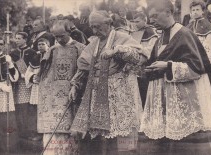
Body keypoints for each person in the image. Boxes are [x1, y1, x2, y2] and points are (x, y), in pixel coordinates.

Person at [69, 10, 148, 154]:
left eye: (98, 27)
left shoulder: (122, 37)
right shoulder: (94, 43)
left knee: (124, 135)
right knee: (104, 136)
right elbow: (84, 66)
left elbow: (139, 58)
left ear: (109, 23)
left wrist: (118, 51)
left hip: (121, 92)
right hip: (99, 93)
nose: (95, 31)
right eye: (92, 27)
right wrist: (75, 85)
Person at [140, 0, 211, 140]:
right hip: (164, 101)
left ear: (169, 12)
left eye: (155, 16)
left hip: (183, 102)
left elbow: (196, 68)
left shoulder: (184, 34)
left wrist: (168, 66)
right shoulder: (161, 36)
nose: (151, 21)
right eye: (150, 17)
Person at [36, 20, 85, 155]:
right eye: (55, 37)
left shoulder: (80, 48)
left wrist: (76, 86)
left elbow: (84, 71)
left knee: (70, 131)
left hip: (73, 93)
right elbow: (44, 72)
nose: (58, 39)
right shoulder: (52, 50)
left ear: (69, 32)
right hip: (53, 98)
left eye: (61, 36)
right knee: (53, 130)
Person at [10, 32, 41, 141]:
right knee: (18, 107)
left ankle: (31, 132)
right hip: (16, 83)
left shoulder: (32, 52)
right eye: (16, 38)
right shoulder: (13, 52)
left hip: (28, 83)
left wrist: (25, 74)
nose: (17, 40)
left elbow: (34, 68)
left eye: (19, 38)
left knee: (29, 108)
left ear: (25, 39)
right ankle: (21, 132)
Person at [129, 12, 158, 107]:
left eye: (138, 21)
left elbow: (151, 49)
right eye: (134, 22)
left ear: (145, 21)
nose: (135, 24)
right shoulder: (134, 33)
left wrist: (140, 50)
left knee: (145, 90)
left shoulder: (151, 33)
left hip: (146, 65)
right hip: (135, 65)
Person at [187, 0, 211, 69]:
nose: (195, 12)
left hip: (203, 55)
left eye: (197, 9)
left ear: (202, 11)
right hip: (190, 55)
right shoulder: (189, 26)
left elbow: (208, 45)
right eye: (193, 10)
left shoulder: (207, 25)